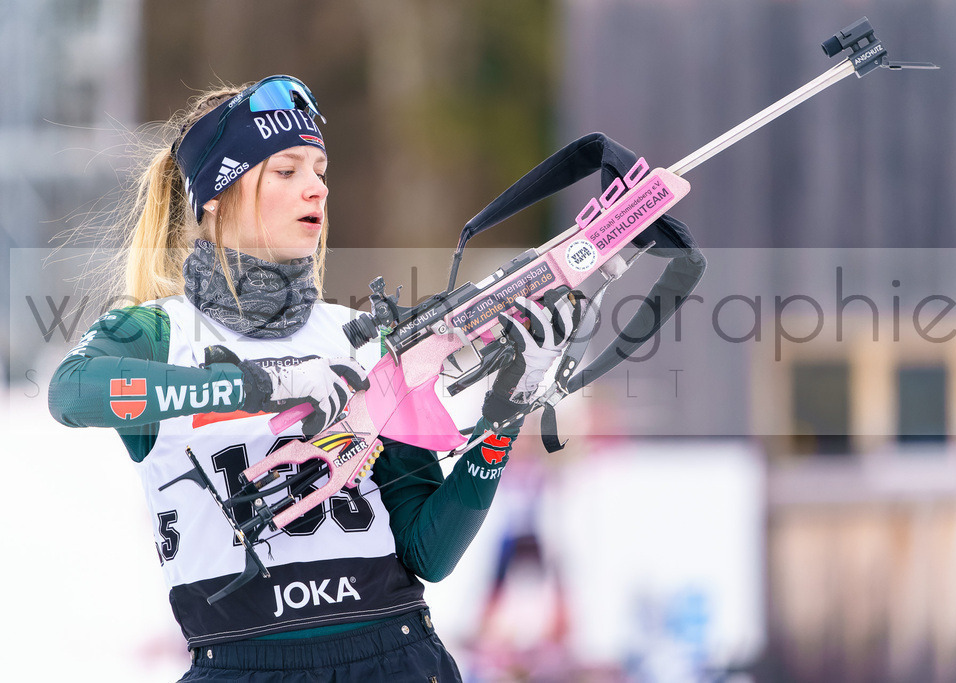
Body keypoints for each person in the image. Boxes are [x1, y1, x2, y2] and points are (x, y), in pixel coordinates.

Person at [48, 75, 581, 682]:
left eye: (321, 171)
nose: (317, 188)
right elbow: (72, 392)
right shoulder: (154, 332)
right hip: (241, 663)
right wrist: (263, 384)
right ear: (215, 194)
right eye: (286, 171)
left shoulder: (358, 336)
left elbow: (427, 551)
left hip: (395, 655)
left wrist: (507, 412)